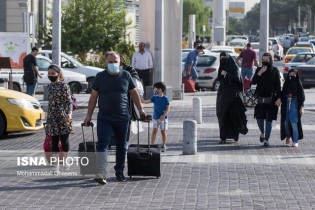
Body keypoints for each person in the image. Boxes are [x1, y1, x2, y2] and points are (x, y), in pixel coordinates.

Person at [84, 51, 146, 185]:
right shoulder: (100, 76)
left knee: (122, 146)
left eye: (115, 61)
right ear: (106, 62)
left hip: (123, 118)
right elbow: (93, 97)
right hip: (104, 118)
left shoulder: (126, 75)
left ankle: (119, 171)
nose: (113, 64)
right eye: (110, 62)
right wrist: (88, 115)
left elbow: (134, 93)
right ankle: (101, 172)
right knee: (103, 145)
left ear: (120, 62)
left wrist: (141, 110)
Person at [216, 52, 248, 144]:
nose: (222, 60)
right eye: (221, 58)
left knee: (234, 116)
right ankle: (223, 137)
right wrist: (222, 75)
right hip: (223, 96)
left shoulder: (234, 68)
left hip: (234, 97)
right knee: (222, 115)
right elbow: (220, 79)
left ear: (228, 58)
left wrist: (226, 74)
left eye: (224, 57)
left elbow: (237, 80)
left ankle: (235, 135)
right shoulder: (221, 68)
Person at [45, 64, 72, 172]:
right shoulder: (50, 86)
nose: (51, 75)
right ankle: (55, 165)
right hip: (52, 117)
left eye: (53, 73)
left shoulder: (64, 86)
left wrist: (69, 113)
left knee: (64, 141)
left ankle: (65, 161)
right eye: (49, 73)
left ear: (58, 74)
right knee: (54, 141)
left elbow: (68, 101)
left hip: (63, 116)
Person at [252, 52, 281, 146]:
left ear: (270, 60)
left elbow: (278, 86)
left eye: (266, 60)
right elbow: (253, 82)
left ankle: (266, 139)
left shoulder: (275, 71)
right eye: (263, 60)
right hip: (260, 98)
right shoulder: (259, 69)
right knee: (259, 119)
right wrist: (260, 73)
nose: (264, 62)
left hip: (271, 98)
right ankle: (262, 132)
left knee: (269, 120)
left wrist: (279, 98)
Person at [141, 82, 170, 152]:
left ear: (160, 89)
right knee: (154, 131)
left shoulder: (165, 98)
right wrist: (141, 100)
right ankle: (152, 145)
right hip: (155, 117)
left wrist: (164, 115)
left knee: (163, 132)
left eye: (156, 88)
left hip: (163, 118)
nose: (155, 90)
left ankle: (164, 145)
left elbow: (168, 108)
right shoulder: (154, 97)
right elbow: (147, 101)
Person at [280, 69, 305, 147]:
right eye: (291, 73)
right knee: (285, 122)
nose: (292, 75)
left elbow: (302, 97)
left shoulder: (298, 83)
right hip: (286, 103)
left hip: (295, 104)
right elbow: (282, 93)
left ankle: (295, 140)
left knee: (294, 123)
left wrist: (301, 107)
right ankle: (288, 135)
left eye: (294, 74)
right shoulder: (286, 83)